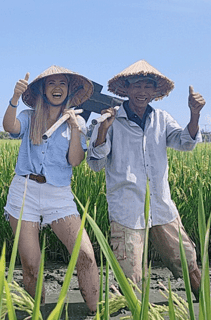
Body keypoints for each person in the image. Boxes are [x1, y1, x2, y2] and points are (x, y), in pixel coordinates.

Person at [87, 60, 206, 299]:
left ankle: (205, 303)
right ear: (126, 89)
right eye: (136, 86)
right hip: (127, 210)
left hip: (162, 207)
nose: (142, 92)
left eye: (148, 86)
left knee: (188, 261)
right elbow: (95, 163)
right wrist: (102, 130)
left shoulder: (162, 119)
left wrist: (194, 115)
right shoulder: (110, 120)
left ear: (155, 92)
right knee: (130, 277)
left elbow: (186, 142)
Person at [2, 66, 99, 314]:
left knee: (85, 255)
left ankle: (95, 311)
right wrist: (14, 98)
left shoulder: (76, 122)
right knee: (31, 265)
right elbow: (10, 127)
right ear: (43, 90)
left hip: (59, 194)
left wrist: (76, 129)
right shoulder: (28, 116)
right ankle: (36, 312)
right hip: (25, 191)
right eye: (51, 84)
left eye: (62, 84)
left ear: (69, 91)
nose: (57, 88)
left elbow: (75, 161)